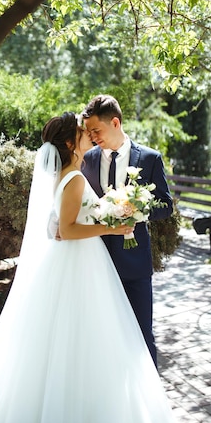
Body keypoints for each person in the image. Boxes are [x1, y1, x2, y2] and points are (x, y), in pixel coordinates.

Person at [0, 111, 179, 423]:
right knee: (87, 344)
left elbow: (54, 226)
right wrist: (111, 226)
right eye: (82, 133)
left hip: (79, 264)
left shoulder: (66, 175)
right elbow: (67, 230)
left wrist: (106, 219)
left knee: (68, 344)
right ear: (69, 144)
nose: (88, 137)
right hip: (82, 265)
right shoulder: (75, 177)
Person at [81, 94, 173, 367]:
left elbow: (166, 205)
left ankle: (150, 402)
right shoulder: (87, 159)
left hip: (135, 266)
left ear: (115, 123)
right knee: (101, 337)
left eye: (96, 130)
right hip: (95, 262)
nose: (92, 136)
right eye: (88, 132)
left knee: (142, 335)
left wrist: (138, 210)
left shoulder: (150, 158)